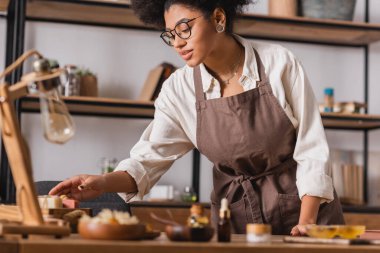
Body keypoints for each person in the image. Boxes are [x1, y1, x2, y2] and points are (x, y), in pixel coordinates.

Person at [49, 0, 345, 235]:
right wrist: (100, 183)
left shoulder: (279, 63)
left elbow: (312, 149)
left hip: (305, 213)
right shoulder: (179, 89)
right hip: (236, 220)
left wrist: (308, 224)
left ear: (218, 18)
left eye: (184, 28)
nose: (177, 43)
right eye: (170, 35)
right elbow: (146, 162)